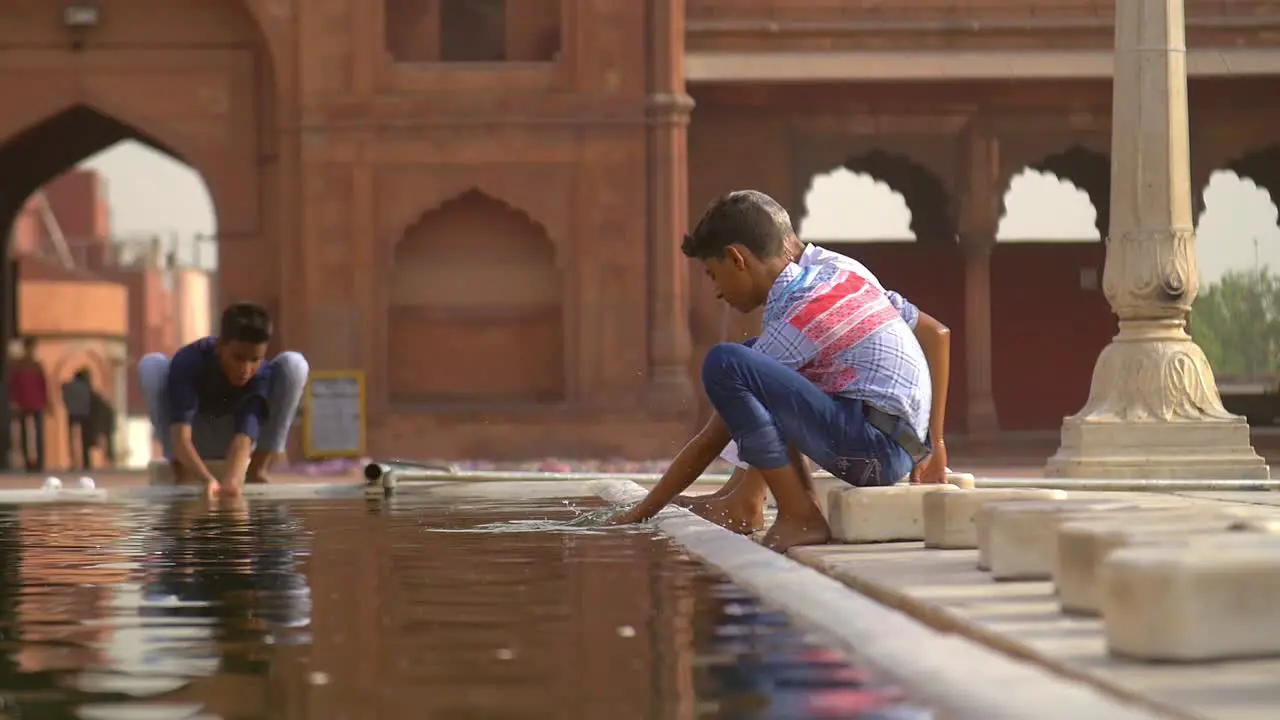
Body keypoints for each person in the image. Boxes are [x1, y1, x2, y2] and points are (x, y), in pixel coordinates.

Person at [608, 190, 950, 552]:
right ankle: (745, 500)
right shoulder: (838, 272)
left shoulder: (800, 313)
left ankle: (798, 515)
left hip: (873, 448)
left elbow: (712, 437)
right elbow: (936, 332)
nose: (717, 293)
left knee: (726, 363)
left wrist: (641, 512)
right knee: (757, 359)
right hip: (898, 443)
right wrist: (936, 443)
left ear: (736, 259)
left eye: (713, 275)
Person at [674, 238, 953, 534]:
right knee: (768, 360)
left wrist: (935, 445)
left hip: (875, 438)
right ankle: (741, 493)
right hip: (878, 433)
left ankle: (748, 500)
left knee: (766, 365)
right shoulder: (809, 277)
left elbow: (934, 334)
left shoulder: (830, 272)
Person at [138, 302, 309, 498]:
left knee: (295, 364)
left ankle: (257, 470)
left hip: (233, 436)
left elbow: (244, 437)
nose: (246, 370)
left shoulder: (260, 374)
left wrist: (233, 482)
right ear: (220, 346)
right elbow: (180, 438)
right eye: (238, 358)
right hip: (195, 434)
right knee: (151, 365)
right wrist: (206, 480)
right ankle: (181, 472)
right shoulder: (189, 361)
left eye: (254, 360)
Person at [8, 337, 48, 471]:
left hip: (34, 403)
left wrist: (47, 401)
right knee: (28, 434)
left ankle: (38, 462)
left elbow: (43, 385)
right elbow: (14, 386)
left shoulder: (34, 365)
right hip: (25, 403)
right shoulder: (19, 365)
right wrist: (14, 401)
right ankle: (29, 462)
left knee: (36, 434)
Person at [61, 369, 94, 470]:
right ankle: (86, 461)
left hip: (72, 413)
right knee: (85, 439)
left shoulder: (68, 387)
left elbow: (63, 392)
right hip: (85, 414)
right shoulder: (86, 387)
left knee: (72, 439)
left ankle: (73, 461)